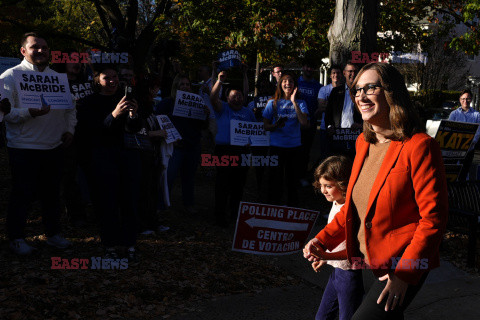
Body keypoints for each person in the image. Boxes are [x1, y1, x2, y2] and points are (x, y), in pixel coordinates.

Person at [304, 62, 448, 319]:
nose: (361, 95)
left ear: (391, 92)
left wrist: (405, 274)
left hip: (404, 262)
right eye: (357, 90)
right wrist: (323, 239)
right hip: (370, 260)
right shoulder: (363, 142)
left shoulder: (420, 146)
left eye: (370, 87)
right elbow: (354, 205)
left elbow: (433, 219)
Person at [1, 32, 76, 255]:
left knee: (52, 195)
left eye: (44, 47)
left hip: (53, 147)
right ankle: (16, 238)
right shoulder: (10, 77)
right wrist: (28, 113)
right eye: (35, 47)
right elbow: (3, 112)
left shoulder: (57, 77)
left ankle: (53, 235)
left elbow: (71, 109)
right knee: (22, 195)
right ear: (23, 51)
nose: (41, 51)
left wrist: (70, 130)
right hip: (23, 147)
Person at [76, 66, 141, 261]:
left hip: (128, 157)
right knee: (107, 203)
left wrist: (133, 115)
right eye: (107, 78)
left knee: (129, 202)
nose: (112, 81)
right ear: (97, 80)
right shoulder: (88, 102)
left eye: (115, 77)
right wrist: (114, 114)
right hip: (102, 158)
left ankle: (129, 244)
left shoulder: (127, 99)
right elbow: (93, 131)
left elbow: (135, 129)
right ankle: (110, 244)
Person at [311, 155, 364, 320]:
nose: (323, 190)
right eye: (321, 185)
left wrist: (326, 256)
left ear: (344, 184)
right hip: (337, 271)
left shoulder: (352, 210)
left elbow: (353, 249)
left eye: (328, 186)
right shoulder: (336, 203)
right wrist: (326, 259)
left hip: (349, 274)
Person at [155, 73, 209, 215]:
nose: (185, 87)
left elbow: (203, 126)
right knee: (169, 176)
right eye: (182, 84)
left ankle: (189, 204)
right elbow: (159, 121)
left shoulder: (199, 103)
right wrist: (170, 138)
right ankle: (161, 205)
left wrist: (206, 114)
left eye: (187, 84)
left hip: (192, 146)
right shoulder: (167, 103)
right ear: (176, 87)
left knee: (189, 177)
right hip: (175, 147)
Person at [211, 68, 255, 227]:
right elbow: (213, 97)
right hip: (224, 151)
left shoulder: (248, 112)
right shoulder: (223, 108)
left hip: (242, 152)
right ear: (227, 98)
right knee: (222, 184)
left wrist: (251, 141)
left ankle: (235, 214)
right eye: (233, 96)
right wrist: (219, 81)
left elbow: (254, 132)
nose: (237, 98)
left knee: (238, 185)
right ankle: (219, 216)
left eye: (240, 96)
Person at [263, 73, 309, 206]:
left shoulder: (301, 103)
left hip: (294, 147)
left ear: (295, 85)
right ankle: (273, 206)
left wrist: (294, 102)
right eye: (284, 81)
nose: (288, 83)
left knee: (292, 180)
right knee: (275, 179)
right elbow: (265, 126)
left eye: (291, 81)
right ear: (280, 84)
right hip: (276, 147)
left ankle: (292, 207)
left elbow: (304, 123)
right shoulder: (273, 103)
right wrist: (275, 125)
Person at [325, 62, 363, 158]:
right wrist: (329, 126)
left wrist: (361, 125)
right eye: (350, 71)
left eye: (355, 71)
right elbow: (328, 113)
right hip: (338, 136)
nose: (353, 74)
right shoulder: (335, 91)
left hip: (358, 137)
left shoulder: (364, 91)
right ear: (344, 73)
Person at [298, 61, 322, 186]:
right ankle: (291, 176)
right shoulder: (296, 83)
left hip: (310, 125)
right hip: (294, 125)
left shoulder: (318, 87)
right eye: (307, 65)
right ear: (303, 67)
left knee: (305, 152)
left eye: (311, 66)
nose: (308, 68)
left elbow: (320, 105)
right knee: (293, 152)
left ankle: (301, 176)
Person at [448, 89, 480, 180]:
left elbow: (478, 132)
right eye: (463, 99)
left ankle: (462, 191)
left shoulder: (477, 115)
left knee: (464, 173)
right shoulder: (454, 114)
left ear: (471, 100)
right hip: (454, 149)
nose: (465, 101)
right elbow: (449, 130)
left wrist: (470, 142)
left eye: (467, 99)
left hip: (469, 150)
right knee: (452, 173)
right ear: (460, 100)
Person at [316, 65, 343, 162]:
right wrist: (337, 105)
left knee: (339, 156)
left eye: (338, 73)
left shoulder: (345, 90)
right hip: (325, 127)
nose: (336, 75)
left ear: (342, 74)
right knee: (325, 156)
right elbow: (321, 107)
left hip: (341, 127)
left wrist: (329, 104)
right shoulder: (324, 90)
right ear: (330, 75)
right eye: (334, 73)